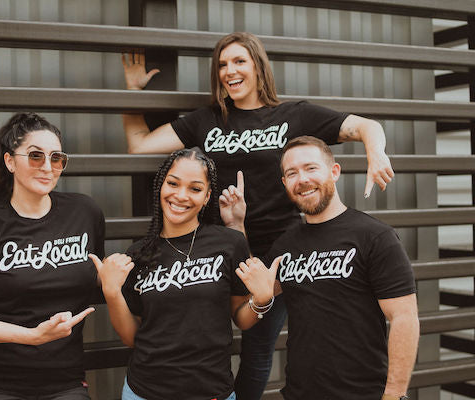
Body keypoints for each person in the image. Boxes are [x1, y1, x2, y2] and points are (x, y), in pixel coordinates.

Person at [121, 31, 395, 399]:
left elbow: (366, 126)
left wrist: (375, 152)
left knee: (257, 351)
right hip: (219, 256)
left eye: (238, 61)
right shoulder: (206, 121)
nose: (229, 71)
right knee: (201, 345)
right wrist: (132, 94)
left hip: (277, 258)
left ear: (257, 67)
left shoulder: (294, 115)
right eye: (222, 64)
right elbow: (139, 146)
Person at [91, 148, 279, 400]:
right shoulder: (137, 254)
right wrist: (112, 292)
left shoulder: (230, 243)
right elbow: (132, 338)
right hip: (145, 392)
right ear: (160, 186)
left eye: (195, 188)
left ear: (207, 196)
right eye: (173, 183)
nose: (180, 195)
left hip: (211, 391)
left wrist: (262, 299)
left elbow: (242, 320)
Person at [0, 112, 105, 400]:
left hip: (64, 381)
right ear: (9, 162)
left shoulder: (84, 213)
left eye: (56, 158)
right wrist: (32, 336)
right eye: (35, 156)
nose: (47, 167)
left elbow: (98, 283)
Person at [262, 135, 419, 399]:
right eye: (292, 173)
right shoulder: (285, 245)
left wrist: (394, 393)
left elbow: (404, 318)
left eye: (311, 168)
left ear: (334, 172)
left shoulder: (374, 236)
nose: (302, 179)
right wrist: (236, 226)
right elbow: (255, 295)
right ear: (285, 183)